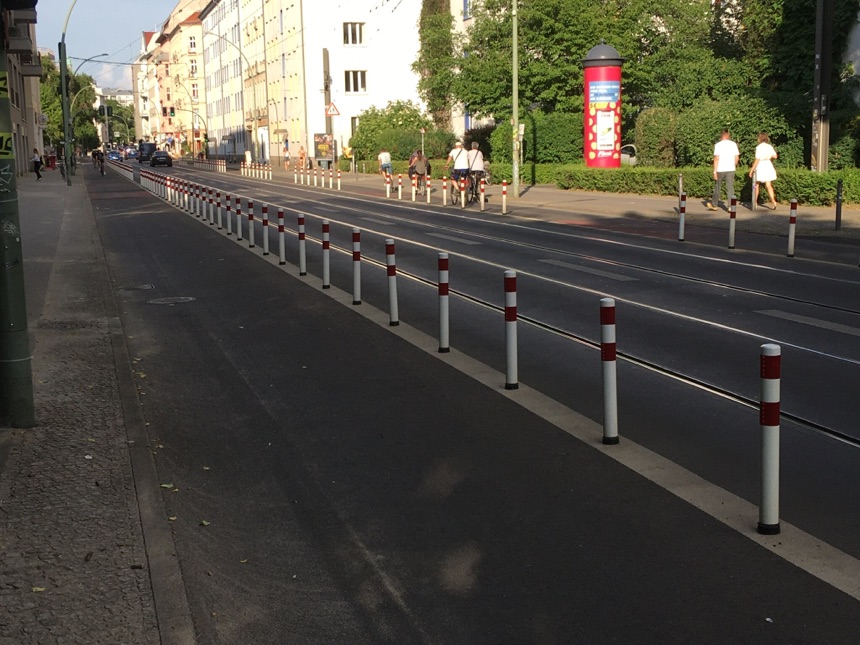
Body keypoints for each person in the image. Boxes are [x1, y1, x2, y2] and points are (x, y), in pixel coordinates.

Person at [706, 129, 739, 211]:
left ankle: (714, 205)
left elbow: (716, 158)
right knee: (730, 187)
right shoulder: (733, 144)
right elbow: (737, 157)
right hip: (731, 169)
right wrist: (733, 164)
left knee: (718, 186)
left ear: (721, 137)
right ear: (728, 136)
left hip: (720, 168)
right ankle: (731, 206)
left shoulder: (718, 145)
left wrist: (714, 171)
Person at [749, 132, 778, 210]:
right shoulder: (769, 146)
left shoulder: (759, 147)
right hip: (768, 165)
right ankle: (773, 201)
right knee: (768, 185)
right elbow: (775, 156)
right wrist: (769, 157)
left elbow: (757, 159)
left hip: (761, 166)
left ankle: (754, 202)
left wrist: (751, 170)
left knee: (756, 184)